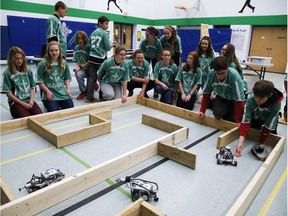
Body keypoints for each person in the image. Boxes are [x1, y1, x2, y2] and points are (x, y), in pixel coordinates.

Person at [235, 80, 283, 157]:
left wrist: (260, 143)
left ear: (269, 95)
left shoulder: (276, 103)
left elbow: (270, 123)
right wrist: (240, 143)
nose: (257, 100)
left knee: (271, 135)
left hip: (267, 119)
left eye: (261, 98)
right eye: (256, 96)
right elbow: (245, 121)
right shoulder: (250, 99)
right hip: (255, 118)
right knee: (252, 131)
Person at [198, 56, 245, 123]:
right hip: (221, 97)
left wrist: (238, 120)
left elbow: (239, 100)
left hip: (234, 100)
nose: (220, 76)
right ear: (214, 71)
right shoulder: (211, 75)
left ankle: (230, 110)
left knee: (231, 119)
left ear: (227, 68)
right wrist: (202, 111)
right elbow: (206, 93)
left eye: (223, 73)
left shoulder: (234, 76)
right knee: (218, 115)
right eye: (218, 73)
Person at [1, 46, 43, 118]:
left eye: (21, 58)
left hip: (28, 100)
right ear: (12, 59)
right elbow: (8, 93)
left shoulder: (28, 71)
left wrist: (32, 100)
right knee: (28, 119)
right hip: (16, 103)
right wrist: (23, 104)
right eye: (17, 59)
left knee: (40, 116)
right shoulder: (7, 73)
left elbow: (32, 87)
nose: (20, 61)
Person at [36, 41, 74, 112]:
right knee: (54, 111)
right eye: (51, 50)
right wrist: (47, 92)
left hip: (62, 93)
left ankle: (60, 103)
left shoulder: (64, 63)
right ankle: (49, 103)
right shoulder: (42, 64)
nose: (54, 52)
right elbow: (39, 81)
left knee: (70, 108)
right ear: (48, 52)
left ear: (59, 51)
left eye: (56, 50)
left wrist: (68, 90)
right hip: (51, 94)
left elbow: (67, 78)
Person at [86, 16, 113, 103]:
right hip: (100, 58)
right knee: (102, 77)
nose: (107, 26)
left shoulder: (93, 33)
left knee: (91, 78)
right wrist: (111, 45)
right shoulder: (104, 33)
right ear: (100, 23)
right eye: (106, 24)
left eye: (108, 24)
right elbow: (108, 48)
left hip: (91, 57)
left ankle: (89, 97)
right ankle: (102, 96)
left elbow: (88, 45)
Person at [140, 26, 162, 98]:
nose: (146, 36)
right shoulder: (144, 42)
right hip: (146, 57)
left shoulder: (158, 42)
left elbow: (159, 54)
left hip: (155, 57)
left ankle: (156, 90)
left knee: (155, 73)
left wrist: (157, 65)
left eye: (147, 35)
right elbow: (141, 53)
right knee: (145, 72)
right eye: (145, 34)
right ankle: (144, 89)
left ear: (152, 35)